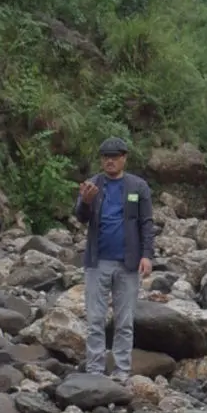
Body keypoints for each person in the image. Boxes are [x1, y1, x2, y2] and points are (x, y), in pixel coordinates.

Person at [74, 137, 155, 382]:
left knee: (124, 321)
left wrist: (147, 255)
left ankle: (121, 371)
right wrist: (86, 202)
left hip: (128, 263)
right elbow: (81, 217)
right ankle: (95, 370)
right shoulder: (93, 186)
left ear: (124, 158)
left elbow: (146, 223)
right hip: (97, 262)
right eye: (105, 157)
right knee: (96, 319)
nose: (110, 160)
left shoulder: (138, 187)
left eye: (115, 156)